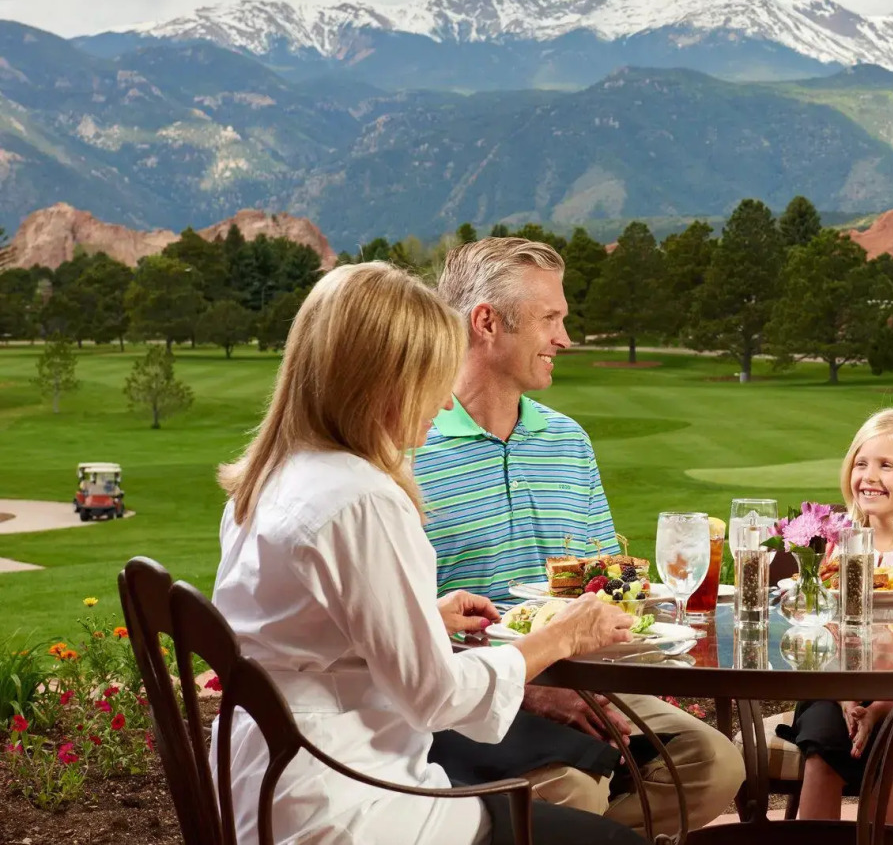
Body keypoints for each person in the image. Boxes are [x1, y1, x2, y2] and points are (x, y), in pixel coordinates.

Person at [211, 261, 641, 845]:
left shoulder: (276, 477)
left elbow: (300, 633)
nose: (442, 404)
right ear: (378, 380)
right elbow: (436, 697)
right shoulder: (362, 499)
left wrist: (419, 619)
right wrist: (561, 636)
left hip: (264, 780)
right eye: (432, 379)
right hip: (347, 799)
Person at [415, 236, 744, 837]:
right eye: (551, 319)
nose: (565, 339)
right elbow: (404, 627)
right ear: (487, 323)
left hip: (586, 681)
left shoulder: (568, 441)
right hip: (467, 696)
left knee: (713, 763)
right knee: (572, 789)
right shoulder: (413, 445)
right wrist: (527, 686)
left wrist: (623, 633)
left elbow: (605, 581)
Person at [777, 408, 893, 827]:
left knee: (886, 751)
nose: (868, 475)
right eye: (861, 463)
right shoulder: (836, 547)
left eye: (886, 465)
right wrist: (847, 697)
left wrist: (879, 707)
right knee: (822, 748)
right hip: (835, 687)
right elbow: (825, 629)